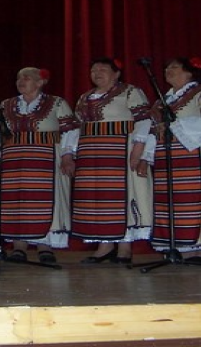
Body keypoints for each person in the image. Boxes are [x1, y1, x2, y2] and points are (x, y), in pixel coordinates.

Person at [69, 57, 154, 264]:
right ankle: (104, 246)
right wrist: (69, 152)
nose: (97, 73)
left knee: (122, 196)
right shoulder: (85, 97)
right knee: (97, 198)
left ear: (116, 73)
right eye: (93, 70)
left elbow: (143, 120)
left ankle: (124, 247)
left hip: (120, 152)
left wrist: (138, 149)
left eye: (102, 69)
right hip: (91, 157)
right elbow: (75, 127)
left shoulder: (130, 92)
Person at [148, 57, 201, 262]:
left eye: (174, 67)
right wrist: (147, 155)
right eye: (167, 67)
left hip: (197, 152)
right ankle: (182, 247)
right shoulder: (162, 101)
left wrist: (173, 127)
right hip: (168, 156)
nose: (168, 70)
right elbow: (153, 129)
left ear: (190, 72)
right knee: (173, 201)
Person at [0, 67, 78, 264]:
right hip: (13, 161)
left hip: (46, 160)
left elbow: (70, 130)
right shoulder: (6, 105)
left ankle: (45, 246)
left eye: (27, 78)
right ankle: (19, 246)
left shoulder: (56, 103)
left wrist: (68, 156)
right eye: (19, 78)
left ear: (40, 82)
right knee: (16, 201)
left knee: (46, 200)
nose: (21, 81)